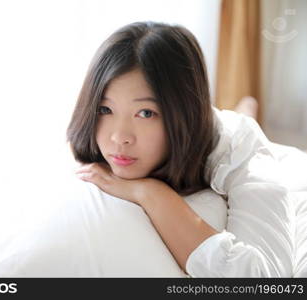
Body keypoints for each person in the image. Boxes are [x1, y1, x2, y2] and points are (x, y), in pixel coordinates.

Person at [66, 21, 294, 277]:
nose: (119, 138)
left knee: (246, 122)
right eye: (105, 109)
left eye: (145, 113)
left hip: (247, 141)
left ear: (182, 113)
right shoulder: (95, 141)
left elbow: (266, 280)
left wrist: (151, 193)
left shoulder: (243, 154)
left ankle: (246, 109)